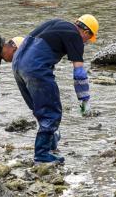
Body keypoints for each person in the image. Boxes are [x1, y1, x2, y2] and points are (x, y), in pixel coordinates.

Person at [12, 15, 99, 164]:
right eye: (88, 39)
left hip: (17, 65)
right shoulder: (75, 36)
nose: (85, 42)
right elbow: (79, 73)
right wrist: (85, 100)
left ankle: (51, 143)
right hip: (36, 68)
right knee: (51, 112)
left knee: (38, 108)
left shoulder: (56, 22)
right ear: (86, 32)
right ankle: (42, 155)